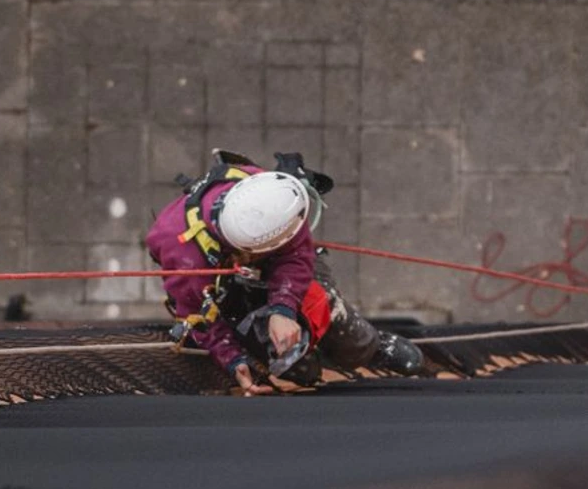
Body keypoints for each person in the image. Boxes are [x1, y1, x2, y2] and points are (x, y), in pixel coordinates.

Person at [145, 150, 426, 394]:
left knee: (330, 313)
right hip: (225, 288)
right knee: (296, 366)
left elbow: (296, 255)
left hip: (283, 267)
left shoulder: (276, 199)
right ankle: (311, 362)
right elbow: (198, 314)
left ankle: (370, 347)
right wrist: (233, 360)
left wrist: (283, 309)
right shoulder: (183, 252)